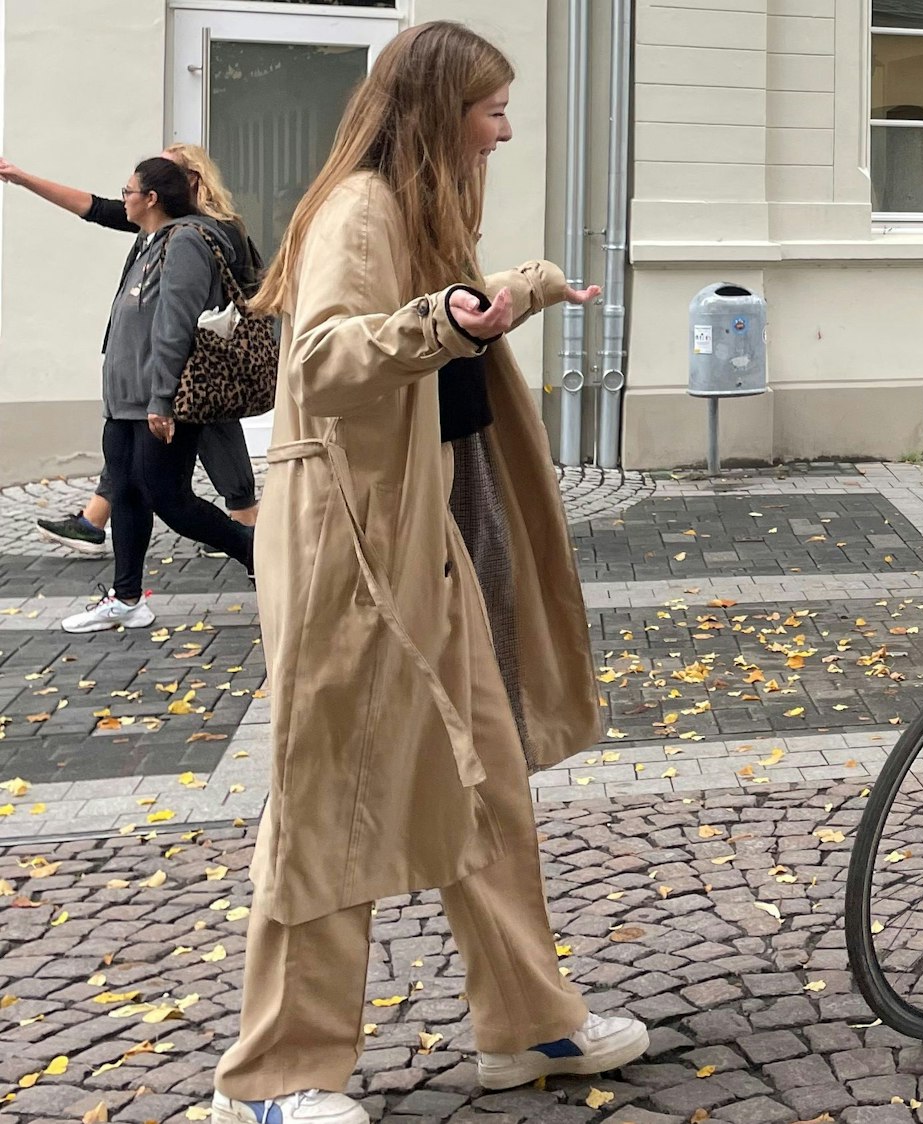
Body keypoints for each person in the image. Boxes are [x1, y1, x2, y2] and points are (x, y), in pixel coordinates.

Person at [207, 22, 644, 1124]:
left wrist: (516, 289)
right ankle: (275, 1080)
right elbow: (325, 357)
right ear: (439, 104)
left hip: (425, 531)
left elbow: (431, 324)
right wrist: (441, 318)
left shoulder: (420, 208)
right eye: (492, 106)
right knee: (327, 798)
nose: (505, 127)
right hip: (349, 542)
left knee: (484, 779)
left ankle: (527, 1021)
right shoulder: (361, 206)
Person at [0, 145, 262, 557]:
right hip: (161, 373)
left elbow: (204, 307)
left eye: (161, 172)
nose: (131, 193)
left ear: (186, 181)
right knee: (131, 470)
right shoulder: (157, 230)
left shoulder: (203, 232)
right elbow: (96, 208)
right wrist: (22, 177)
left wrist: (162, 390)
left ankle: (249, 540)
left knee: (178, 484)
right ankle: (107, 543)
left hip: (198, 368)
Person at [56, 157, 258, 634]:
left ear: (150, 199)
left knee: (169, 498)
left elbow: (175, 325)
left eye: (127, 191)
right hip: (125, 400)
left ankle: (260, 553)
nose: (122, 197)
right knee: (125, 492)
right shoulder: (149, 242)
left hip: (157, 399)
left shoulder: (185, 240)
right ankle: (126, 599)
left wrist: (161, 398)